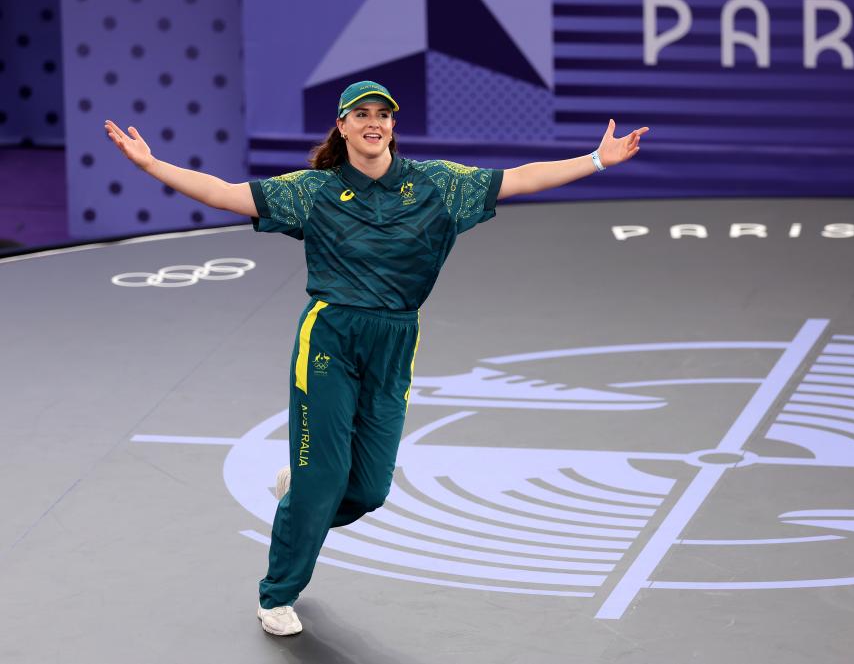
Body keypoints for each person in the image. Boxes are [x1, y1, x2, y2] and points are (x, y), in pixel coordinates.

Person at [105, 80, 650, 636]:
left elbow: (519, 179)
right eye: (360, 114)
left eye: (382, 115)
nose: (373, 122)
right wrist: (151, 165)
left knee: (367, 490)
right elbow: (225, 192)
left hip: (395, 340)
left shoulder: (438, 185)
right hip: (330, 339)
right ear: (341, 127)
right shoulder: (313, 191)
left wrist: (596, 161)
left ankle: (298, 496)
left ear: (392, 125)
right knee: (324, 478)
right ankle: (277, 593)